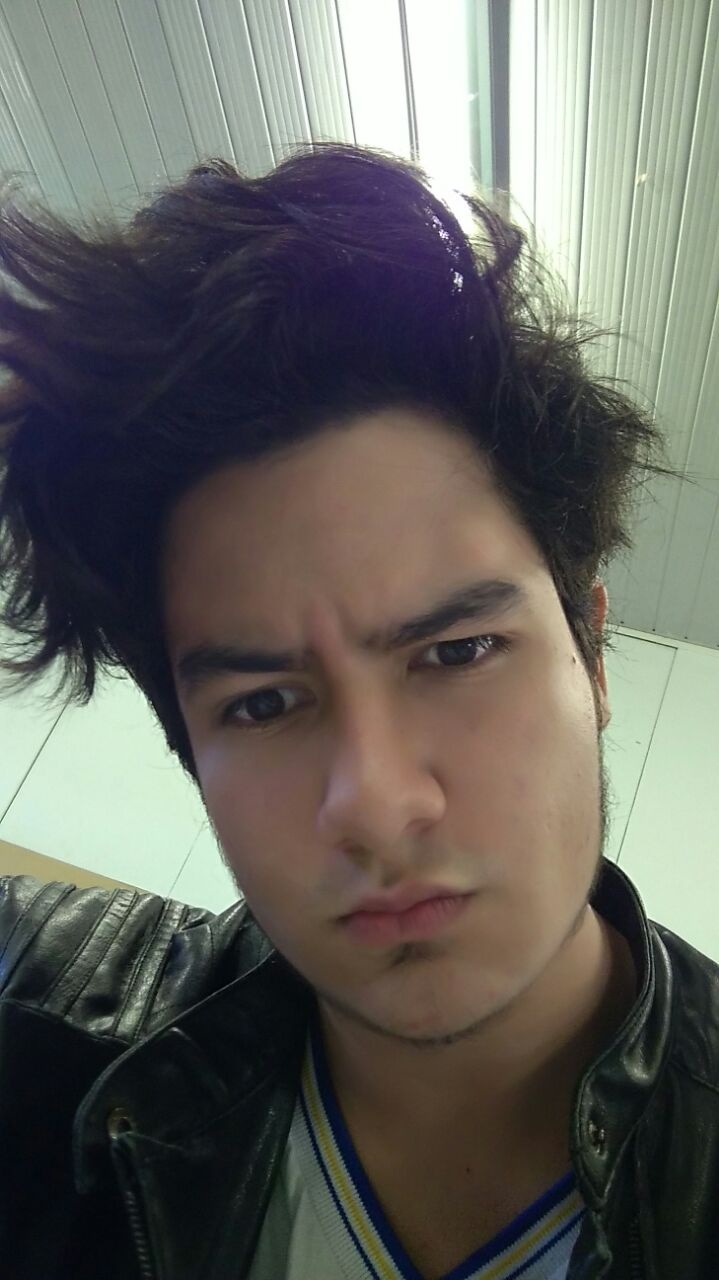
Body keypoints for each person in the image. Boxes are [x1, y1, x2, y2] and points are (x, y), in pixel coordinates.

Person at [0, 141, 715, 1280]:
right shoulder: (44, 1039)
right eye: (263, 703)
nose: (376, 804)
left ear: (590, 653)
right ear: (188, 750)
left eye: (457, 651)